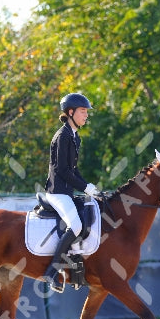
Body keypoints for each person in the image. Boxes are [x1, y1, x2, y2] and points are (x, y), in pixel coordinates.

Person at [42, 92, 99, 292]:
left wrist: (90, 187)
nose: (86, 115)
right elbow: (63, 171)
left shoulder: (75, 136)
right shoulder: (62, 136)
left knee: (86, 218)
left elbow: (74, 170)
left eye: (86, 112)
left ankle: (75, 272)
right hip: (57, 192)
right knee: (75, 226)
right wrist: (84, 187)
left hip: (67, 192)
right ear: (71, 112)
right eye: (83, 111)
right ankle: (51, 272)